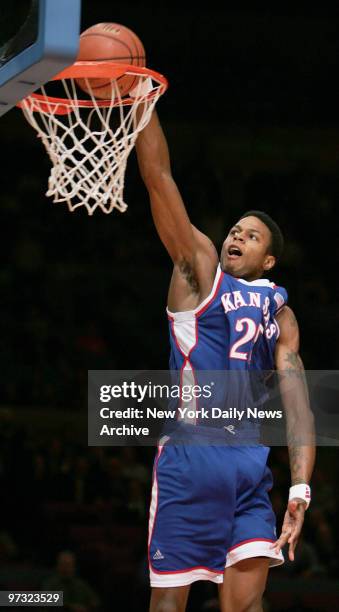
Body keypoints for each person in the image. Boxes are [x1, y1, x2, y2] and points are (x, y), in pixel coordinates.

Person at [135, 109, 315, 612]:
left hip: (250, 464)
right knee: (170, 600)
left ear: (270, 261)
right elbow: (159, 180)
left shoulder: (280, 313)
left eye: (251, 236)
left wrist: (301, 488)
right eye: (236, 229)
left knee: (247, 605)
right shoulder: (200, 271)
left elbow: (298, 407)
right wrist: (141, 104)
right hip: (193, 453)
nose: (237, 236)